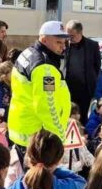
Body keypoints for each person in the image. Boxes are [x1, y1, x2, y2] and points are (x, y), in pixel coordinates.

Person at [9, 21, 72, 155]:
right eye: (58, 42)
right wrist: (59, 136)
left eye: (64, 43)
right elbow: (47, 105)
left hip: (24, 129)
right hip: (38, 137)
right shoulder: (45, 68)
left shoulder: (29, 52)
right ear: (44, 39)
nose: (63, 47)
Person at [63, 20, 101, 124]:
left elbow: (97, 66)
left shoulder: (92, 45)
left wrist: (92, 81)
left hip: (85, 88)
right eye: (67, 35)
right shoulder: (63, 44)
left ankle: (81, 137)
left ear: (80, 33)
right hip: (67, 87)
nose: (69, 38)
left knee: (83, 115)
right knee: (67, 113)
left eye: (72, 36)